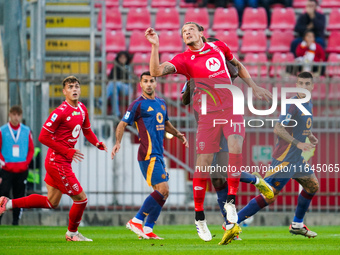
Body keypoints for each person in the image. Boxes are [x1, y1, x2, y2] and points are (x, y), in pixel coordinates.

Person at [145, 23, 272, 244]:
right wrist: (156, 46)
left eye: (190, 29)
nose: (186, 33)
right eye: (183, 31)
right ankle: (209, 218)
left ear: (201, 33)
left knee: (226, 163)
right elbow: (161, 77)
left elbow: (238, 65)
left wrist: (253, 86)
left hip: (229, 113)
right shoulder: (185, 62)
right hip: (207, 121)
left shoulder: (220, 48)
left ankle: (231, 217)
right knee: (214, 174)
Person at [0, 76, 108, 241]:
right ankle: (72, 233)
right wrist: (67, 151)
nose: (74, 89)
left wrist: (97, 143)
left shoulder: (82, 109)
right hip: (57, 162)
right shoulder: (60, 112)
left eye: (76, 86)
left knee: (51, 202)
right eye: (70, 87)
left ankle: (7, 204)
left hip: (62, 161)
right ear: (64, 91)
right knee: (81, 199)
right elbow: (43, 137)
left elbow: (86, 130)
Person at [182, 71, 273, 241]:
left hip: (222, 125)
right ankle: (230, 225)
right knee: (216, 179)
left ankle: (256, 180)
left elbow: (234, 72)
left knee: (223, 170)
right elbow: (184, 100)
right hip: (205, 129)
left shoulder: (220, 71)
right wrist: (190, 83)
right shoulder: (194, 72)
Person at [235, 72, 319, 241]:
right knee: (270, 194)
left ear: (312, 87)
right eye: (300, 83)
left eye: (306, 84)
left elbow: (300, 125)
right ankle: (232, 222)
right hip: (284, 158)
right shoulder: (292, 104)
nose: (303, 87)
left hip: (296, 159)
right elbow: (278, 129)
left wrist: (309, 136)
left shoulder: (308, 104)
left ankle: (297, 225)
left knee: (312, 185)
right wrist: (299, 143)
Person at [111, 71, 189, 239]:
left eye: (151, 81)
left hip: (158, 153)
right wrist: (118, 142)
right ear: (141, 84)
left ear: (155, 84)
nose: (148, 84)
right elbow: (122, 124)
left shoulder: (161, 103)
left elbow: (165, 122)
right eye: (145, 81)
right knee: (163, 189)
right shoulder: (137, 105)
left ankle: (147, 229)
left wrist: (178, 134)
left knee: (163, 193)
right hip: (148, 154)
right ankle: (136, 220)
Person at [0, 105, 34, 225]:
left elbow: (31, 149)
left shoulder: (26, 131)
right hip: (6, 170)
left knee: (19, 197)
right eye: (14, 114)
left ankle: (15, 221)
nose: (16, 117)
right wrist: (3, 162)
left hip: (21, 170)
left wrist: (26, 163)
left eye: (18, 115)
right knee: (3, 194)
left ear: (21, 116)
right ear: (9, 115)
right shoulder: (2, 130)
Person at [107, 51, 133, 117]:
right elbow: (110, 77)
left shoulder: (129, 68)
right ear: (118, 59)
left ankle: (101, 100)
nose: (122, 59)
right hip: (116, 87)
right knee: (114, 91)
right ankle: (116, 113)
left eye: (124, 58)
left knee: (113, 83)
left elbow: (130, 80)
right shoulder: (115, 68)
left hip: (127, 88)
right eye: (121, 58)